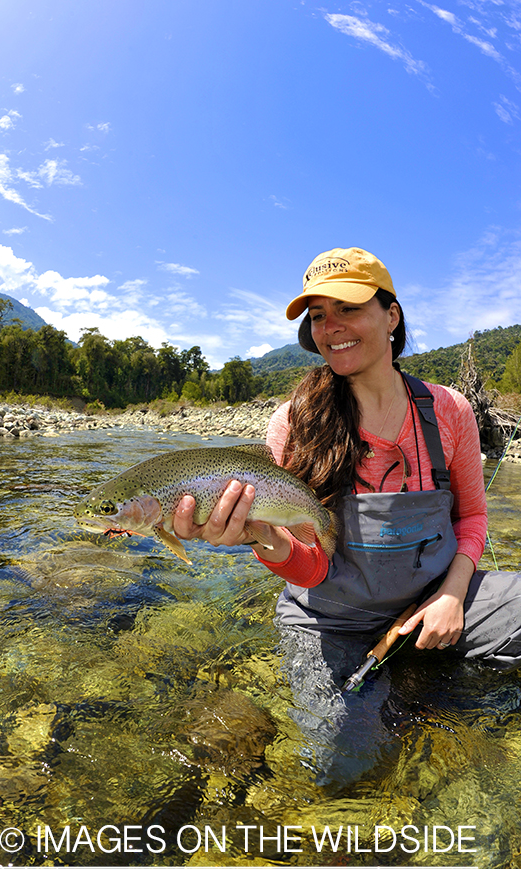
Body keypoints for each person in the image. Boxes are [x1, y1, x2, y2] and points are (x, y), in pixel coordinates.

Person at [173, 247, 521, 780]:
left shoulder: (448, 409)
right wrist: (263, 540)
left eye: (348, 308)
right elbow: (311, 565)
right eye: (317, 316)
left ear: (392, 316)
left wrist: (451, 597)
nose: (330, 327)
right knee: (343, 763)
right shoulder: (295, 422)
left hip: (438, 598)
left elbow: (472, 519)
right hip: (328, 618)